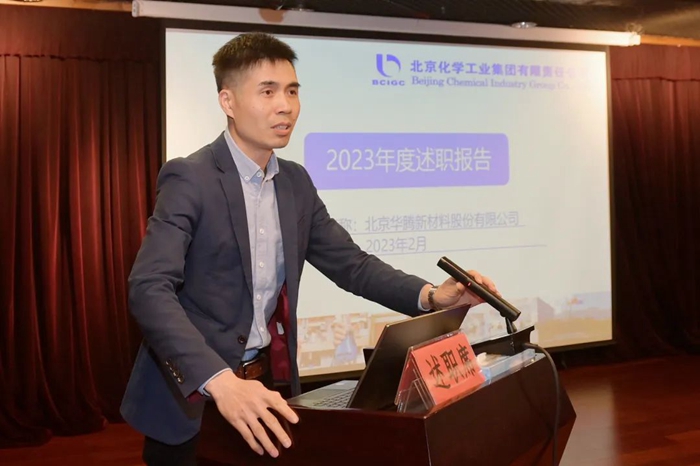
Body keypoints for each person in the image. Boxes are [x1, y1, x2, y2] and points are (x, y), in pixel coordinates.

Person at [120, 32, 500, 466]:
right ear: (228, 101)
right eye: (268, 92)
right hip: (196, 397)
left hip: (267, 390)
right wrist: (219, 380)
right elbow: (148, 287)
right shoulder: (191, 177)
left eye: (292, 91)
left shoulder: (295, 183)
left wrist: (432, 296)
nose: (286, 106)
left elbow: (352, 265)